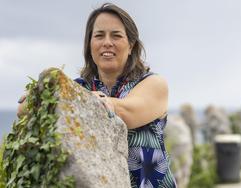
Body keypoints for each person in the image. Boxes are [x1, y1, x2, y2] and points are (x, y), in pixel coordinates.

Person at [18, 3, 176, 187]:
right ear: (90, 44)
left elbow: (127, 112)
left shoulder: (153, 84)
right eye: (99, 35)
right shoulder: (80, 87)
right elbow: (23, 109)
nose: (107, 42)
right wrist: (41, 92)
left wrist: (93, 103)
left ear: (131, 45)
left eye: (116, 35)